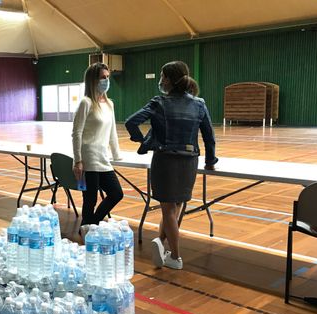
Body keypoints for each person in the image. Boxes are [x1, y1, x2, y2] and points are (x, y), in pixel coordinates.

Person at [125, 60, 218, 270]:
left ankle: (175, 258)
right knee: (176, 208)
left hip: (165, 160)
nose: (160, 80)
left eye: (161, 76)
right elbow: (209, 137)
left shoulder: (159, 102)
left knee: (168, 210)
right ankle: (160, 243)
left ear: (167, 79)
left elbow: (131, 121)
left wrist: (139, 139)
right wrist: (210, 161)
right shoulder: (199, 104)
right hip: (189, 162)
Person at [72, 62, 123, 232]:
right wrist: (78, 160)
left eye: (108, 77)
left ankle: (89, 226)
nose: (106, 80)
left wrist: (117, 155)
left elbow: (112, 132)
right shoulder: (86, 103)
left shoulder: (110, 104)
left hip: (103, 158)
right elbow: (77, 133)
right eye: (103, 77)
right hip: (89, 158)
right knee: (90, 199)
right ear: (93, 80)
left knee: (116, 193)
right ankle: (88, 230)